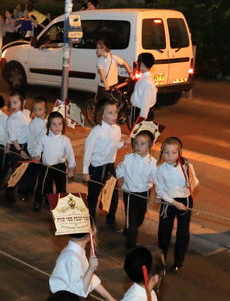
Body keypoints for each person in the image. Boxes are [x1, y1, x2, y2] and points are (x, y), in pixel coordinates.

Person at [154, 137, 199, 272]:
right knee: (164, 232)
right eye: (166, 152)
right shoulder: (160, 169)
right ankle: (162, 259)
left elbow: (195, 181)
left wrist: (190, 183)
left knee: (182, 233)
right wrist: (173, 202)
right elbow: (160, 190)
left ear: (179, 152)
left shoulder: (187, 165)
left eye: (174, 153)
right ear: (162, 153)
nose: (170, 156)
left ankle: (178, 262)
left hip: (185, 200)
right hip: (168, 202)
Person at [82, 99, 123, 230]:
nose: (114, 115)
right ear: (102, 115)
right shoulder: (96, 131)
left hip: (110, 166)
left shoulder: (117, 129)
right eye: (110, 113)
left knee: (113, 195)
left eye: (115, 112)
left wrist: (122, 144)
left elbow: (114, 145)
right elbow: (88, 151)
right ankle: (90, 220)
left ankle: (111, 220)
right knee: (93, 196)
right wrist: (85, 171)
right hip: (96, 168)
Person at [48, 233, 119, 301]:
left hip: (70, 299)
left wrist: (109, 298)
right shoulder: (72, 257)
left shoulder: (76, 251)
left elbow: (88, 277)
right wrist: (90, 269)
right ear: (91, 233)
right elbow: (79, 290)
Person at [116, 129, 156, 250]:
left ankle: (128, 229)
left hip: (144, 193)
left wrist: (159, 191)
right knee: (132, 220)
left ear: (149, 146)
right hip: (130, 193)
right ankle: (130, 246)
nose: (138, 146)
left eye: (142, 144)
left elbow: (156, 178)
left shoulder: (152, 162)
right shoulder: (128, 158)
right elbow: (119, 168)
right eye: (136, 143)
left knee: (140, 217)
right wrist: (120, 176)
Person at [34, 111, 75, 212]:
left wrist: (71, 169)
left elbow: (70, 155)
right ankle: (38, 202)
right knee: (42, 186)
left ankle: (62, 207)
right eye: (54, 124)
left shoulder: (65, 140)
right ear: (49, 125)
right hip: (47, 167)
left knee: (61, 189)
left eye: (60, 124)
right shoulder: (44, 138)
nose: (57, 127)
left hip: (60, 167)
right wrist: (37, 155)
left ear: (63, 125)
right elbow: (38, 148)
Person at [129, 53, 157, 123]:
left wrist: (141, 120)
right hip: (137, 111)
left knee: (141, 130)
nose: (137, 63)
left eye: (138, 61)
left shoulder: (147, 82)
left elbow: (146, 103)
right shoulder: (144, 78)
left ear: (142, 64)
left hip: (142, 114)